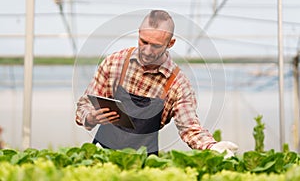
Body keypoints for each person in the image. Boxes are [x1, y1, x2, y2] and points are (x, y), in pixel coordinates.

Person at [75, 9, 238, 157]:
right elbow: (84, 104)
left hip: (143, 161)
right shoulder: (115, 63)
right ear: (138, 33)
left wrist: (211, 146)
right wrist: (91, 117)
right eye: (143, 41)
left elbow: (189, 127)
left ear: (170, 44)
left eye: (156, 45)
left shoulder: (178, 84)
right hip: (103, 153)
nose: (147, 50)